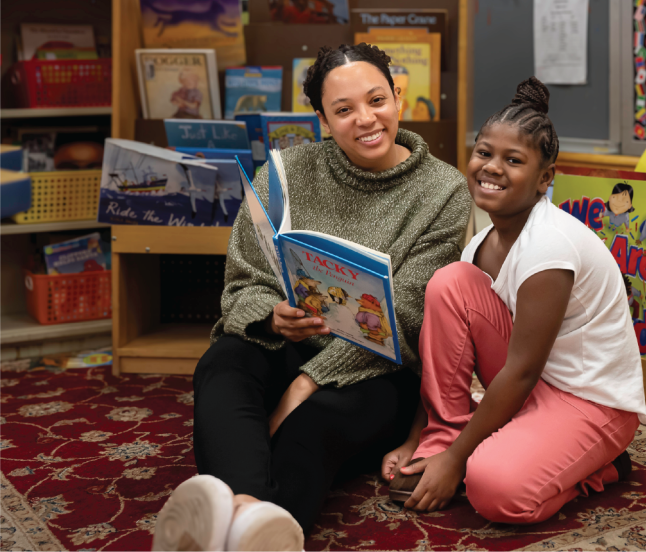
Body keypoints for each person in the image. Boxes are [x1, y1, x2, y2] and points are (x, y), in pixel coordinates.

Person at [151, 43, 471, 552]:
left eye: (377, 100)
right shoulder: (285, 173)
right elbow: (243, 283)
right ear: (323, 119)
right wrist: (273, 319)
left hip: (379, 370)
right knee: (222, 365)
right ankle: (249, 518)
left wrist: (306, 383)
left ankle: (232, 522)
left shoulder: (443, 190)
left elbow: (409, 313)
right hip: (290, 340)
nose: (366, 119)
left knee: (312, 425)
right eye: (344, 110)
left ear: (398, 99)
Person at [382, 78, 646, 523]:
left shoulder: (550, 246)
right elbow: (447, 361)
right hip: (534, 385)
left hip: (589, 400)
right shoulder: (481, 244)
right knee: (450, 281)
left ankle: (601, 467)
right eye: (484, 153)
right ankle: (443, 440)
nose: (491, 167)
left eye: (513, 160)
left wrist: (459, 464)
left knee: (494, 490)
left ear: (545, 178)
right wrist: (419, 439)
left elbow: (522, 369)